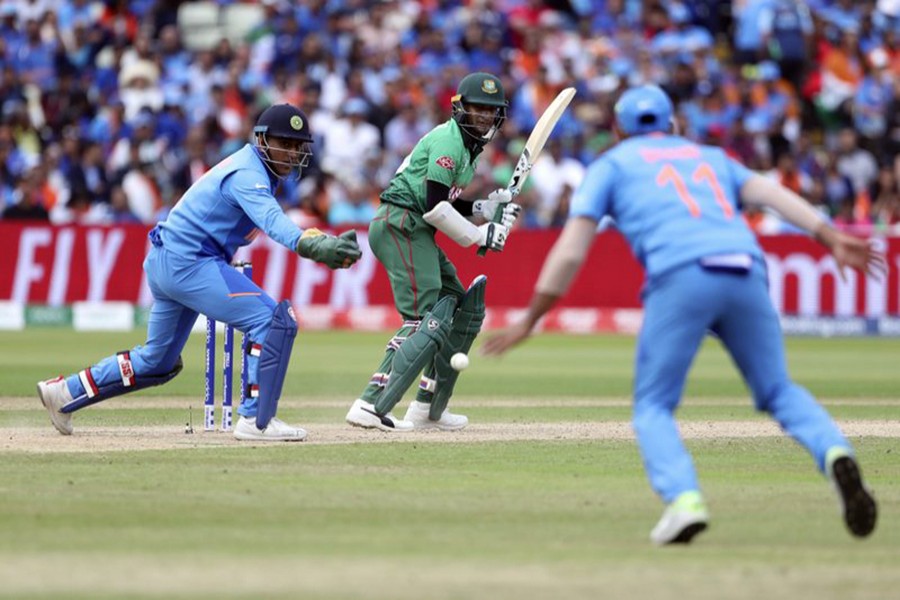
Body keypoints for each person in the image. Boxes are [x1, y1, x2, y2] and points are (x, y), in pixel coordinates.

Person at [483, 84, 882, 545]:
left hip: (680, 276)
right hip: (746, 268)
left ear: (617, 131)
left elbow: (571, 252)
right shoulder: (708, 156)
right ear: (672, 125)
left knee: (654, 405)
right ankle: (834, 452)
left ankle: (684, 501)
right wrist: (827, 234)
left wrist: (531, 319)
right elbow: (770, 193)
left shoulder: (611, 165)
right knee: (778, 390)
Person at [36, 104, 362, 442]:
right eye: (285, 143)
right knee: (272, 320)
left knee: (157, 360)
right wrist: (314, 245)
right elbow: (273, 222)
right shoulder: (248, 174)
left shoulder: (254, 170)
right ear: (262, 141)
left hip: (167, 261)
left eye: (298, 146)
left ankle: (64, 393)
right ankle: (256, 420)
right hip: (190, 262)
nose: (293, 153)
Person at [344, 72, 521, 432]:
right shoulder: (448, 141)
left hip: (415, 227)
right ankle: (369, 402)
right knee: (424, 317)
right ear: (461, 109)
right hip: (401, 224)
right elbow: (433, 207)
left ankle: (426, 406)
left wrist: (485, 208)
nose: (485, 117)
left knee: (457, 304)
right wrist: (479, 236)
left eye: (491, 111)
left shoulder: (469, 151)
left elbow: (448, 203)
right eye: (477, 109)